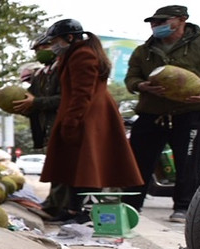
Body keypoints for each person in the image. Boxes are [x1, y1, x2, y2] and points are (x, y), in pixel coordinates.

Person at [39, 19, 143, 222]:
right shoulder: (74, 54)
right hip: (86, 114)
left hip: (88, 117)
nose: (53, 45)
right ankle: (72, 209)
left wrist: (72, 121)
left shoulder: (83, 56)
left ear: (70, 38)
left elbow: (82, 94)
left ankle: (78, 211)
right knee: (75, 166)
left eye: (56, 40)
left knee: (85, 167)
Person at [124, 4, 200, 222]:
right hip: (152, 112)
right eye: (153, 22)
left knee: (189, 161)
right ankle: (130, 205)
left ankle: (184, 207)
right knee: (138, 160)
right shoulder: (143, 51)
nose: (155, 25)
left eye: (162, 21)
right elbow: (131, 78)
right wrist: (141, 86)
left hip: (190, 111)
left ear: (182, 19)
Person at [12, 30, 71, 217]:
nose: (40, 52)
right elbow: (30, 97)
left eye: (44, 47)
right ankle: (53, 204)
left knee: (63, 168)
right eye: (37, 50)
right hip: (47, 127)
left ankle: (62, 207)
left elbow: (64, 98)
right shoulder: (40, 74)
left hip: (63, 123)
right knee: (55, 167)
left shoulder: (63, 69)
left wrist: (35, 103)